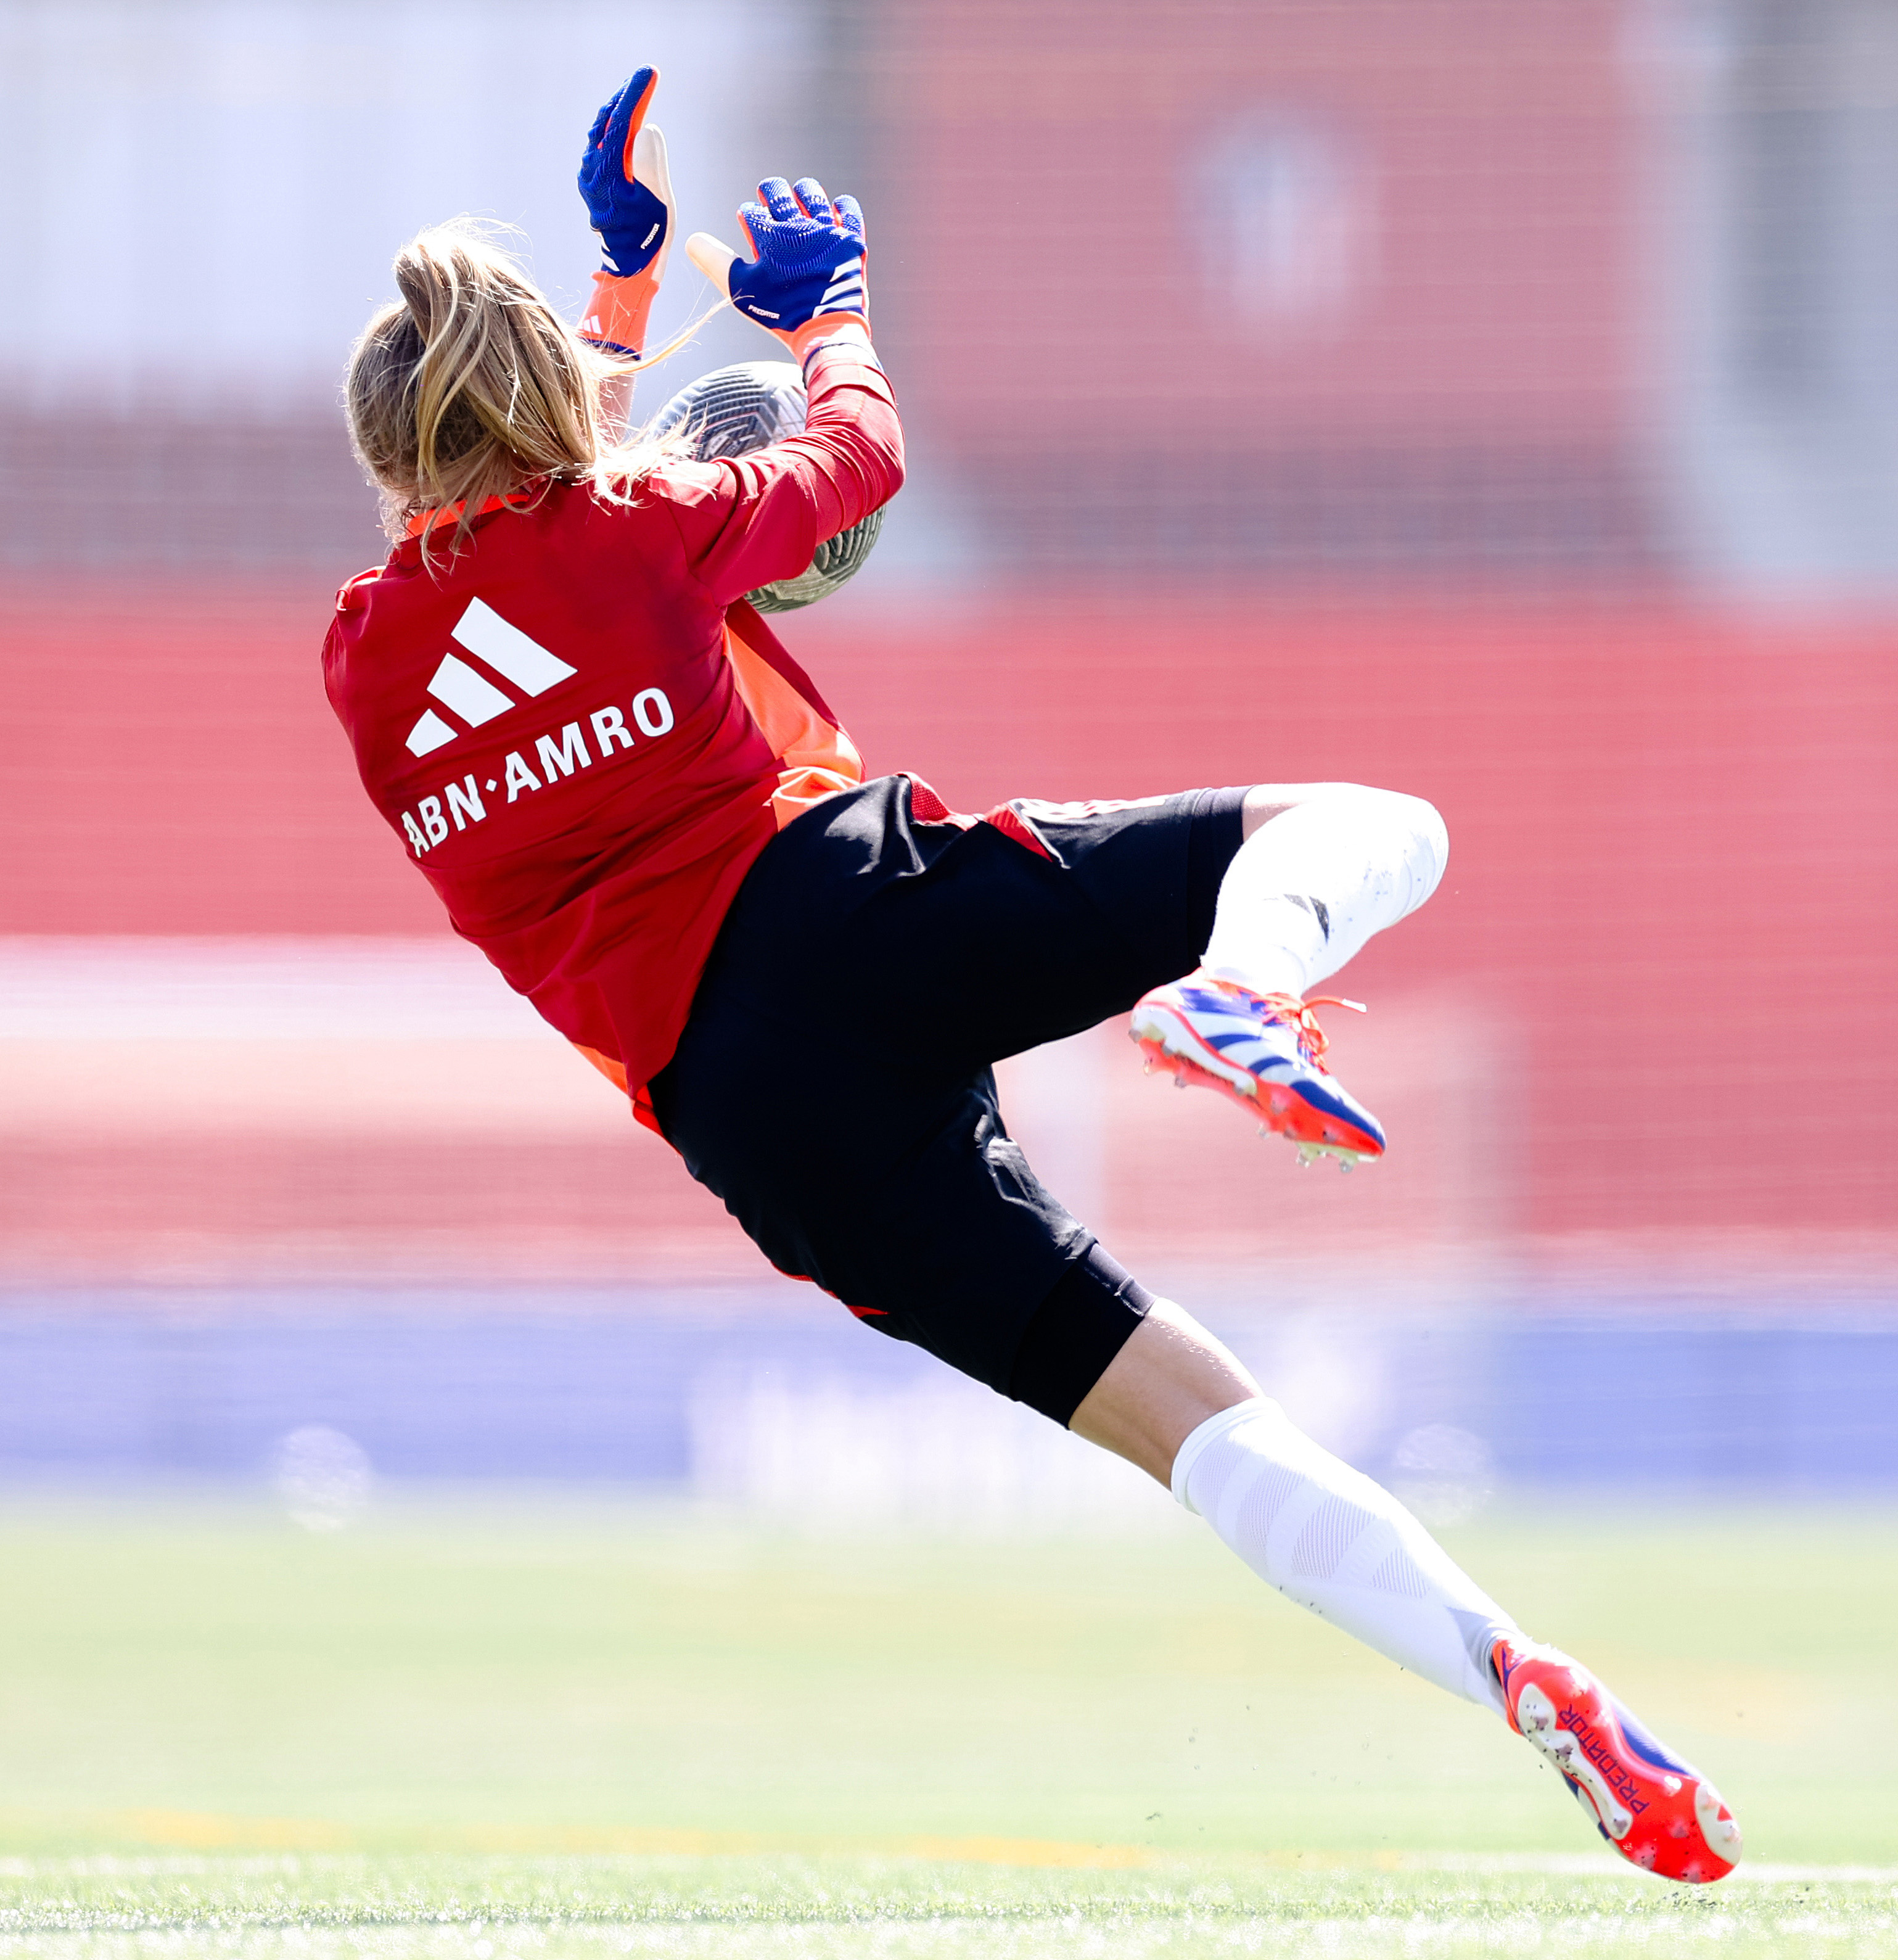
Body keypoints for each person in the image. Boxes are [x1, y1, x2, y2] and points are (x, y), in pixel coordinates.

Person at [319, 67, 1740, 1884]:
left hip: (756, 1123)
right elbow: (853, 465)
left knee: (1192, 1426)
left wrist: (619, 301)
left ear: (387, 463)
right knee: (1378, 824)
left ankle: (1514, 1671)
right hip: (843, 907)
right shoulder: (631, 533)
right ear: (537, 420)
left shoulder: (367, 668)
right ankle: (1237, 989)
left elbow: (513, 523)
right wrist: (828, 316)